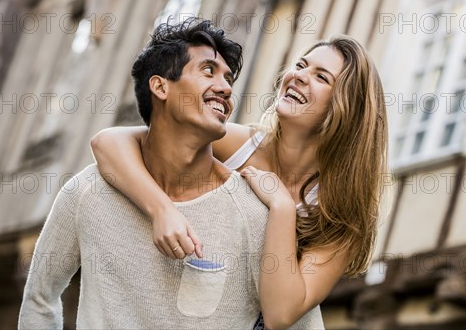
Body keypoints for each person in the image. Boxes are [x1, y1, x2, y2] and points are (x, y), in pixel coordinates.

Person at [91, 33, 388, 329]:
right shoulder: (239, 145)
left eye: (321, 77)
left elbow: (280, 314)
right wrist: (160, 211)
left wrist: (281, 206)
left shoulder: (341, 213)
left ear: (346, 108)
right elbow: (108, 143)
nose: (298, 76)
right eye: (301, 65)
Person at [19, 18, 275, 329]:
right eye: (208, 71)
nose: (225, 88)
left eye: (229, 80)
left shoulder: (252, 213)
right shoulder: (87, 190)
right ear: (160, 86)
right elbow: (39, 298)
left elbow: (300, 323)